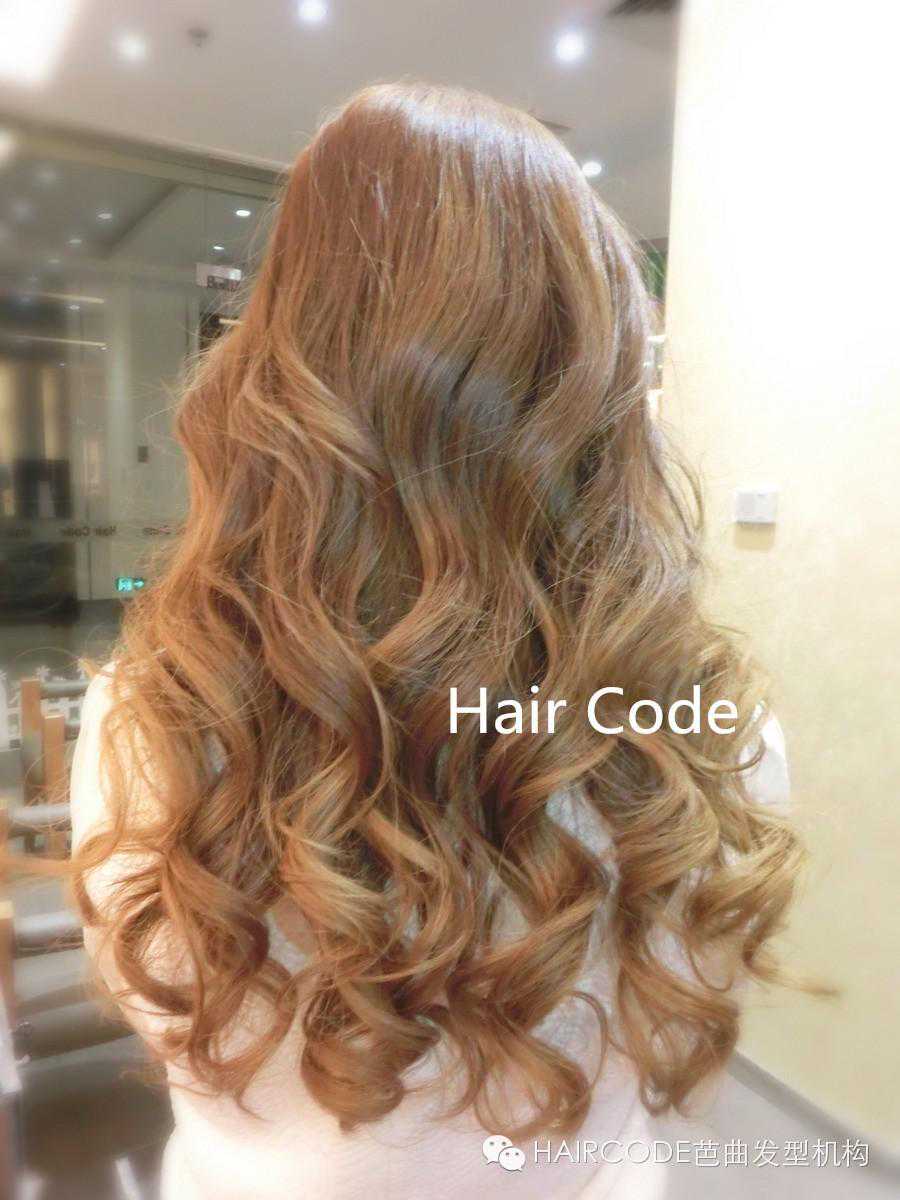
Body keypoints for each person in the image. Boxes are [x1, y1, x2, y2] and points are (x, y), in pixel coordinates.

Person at [69, 82, 800, 1199]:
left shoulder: (150, 714)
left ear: (276, 355)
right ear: (600, 365)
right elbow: (672, 1033)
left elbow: (177, 1026)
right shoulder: (706, 729)